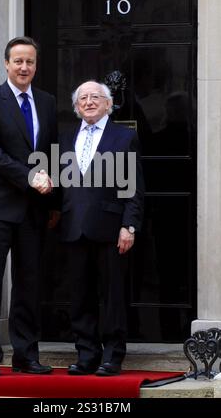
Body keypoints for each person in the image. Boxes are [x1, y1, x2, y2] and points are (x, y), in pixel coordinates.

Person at [0, 36, 58, 376]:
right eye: (18, 61)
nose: (24, 67)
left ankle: (25, 355)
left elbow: (51, 154)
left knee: (28, 284)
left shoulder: (48, 102)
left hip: (35, 210)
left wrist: (55, 204)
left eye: (30, 62)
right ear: (6, 64)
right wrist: (28, 177)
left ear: (36, 66)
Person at [59, 80, 144, 376]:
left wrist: (129, 226)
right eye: (83, 98)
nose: (89, 101)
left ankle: (112, 355)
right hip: (73, 227)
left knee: (112, 296)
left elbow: (132, 186)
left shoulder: (123, 137)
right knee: (80, 295)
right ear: (76, 106)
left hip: (110, 228)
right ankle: (86, 354)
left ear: (108, 104)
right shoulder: (66, 137)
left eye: (96, 97)